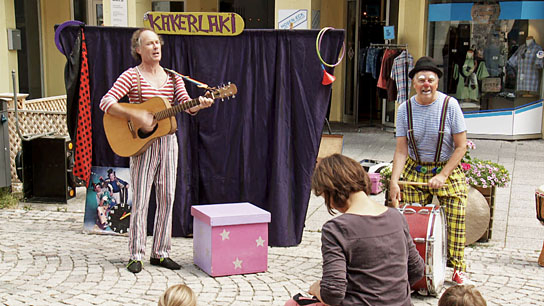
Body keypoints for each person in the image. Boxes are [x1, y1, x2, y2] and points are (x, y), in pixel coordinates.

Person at [99, 28, 214, 273]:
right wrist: (135, 113)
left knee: (167, 198)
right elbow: (106, 102)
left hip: (168, 142)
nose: (155, 47)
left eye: (157, 43)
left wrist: (200, 104)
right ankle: (135, 254)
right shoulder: (131, 76)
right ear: (138, 50)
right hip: (142, 145)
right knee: (141, 199)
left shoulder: (173, 78)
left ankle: (160, 253)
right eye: (149, 44)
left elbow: (187, 107)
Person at [389, 56, 472, 285]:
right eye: (421, 79)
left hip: (447, 169)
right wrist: (394, 181)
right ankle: (413, 268)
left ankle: (457, 268)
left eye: (431, 80)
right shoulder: (405, 109)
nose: (426, 84)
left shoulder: (450, 105)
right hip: (416, 169)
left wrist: (443, 175)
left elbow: (461, 146)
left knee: (456, 213)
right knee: (412, 222)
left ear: (437, 83)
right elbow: (401, 150)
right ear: (414, 83)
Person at [306, 154, 424, 305]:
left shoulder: (336, 229)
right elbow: (416, 270)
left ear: (331, 191)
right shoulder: (396, 217)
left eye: (325, 198)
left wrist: (317, 288)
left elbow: (333, 292)